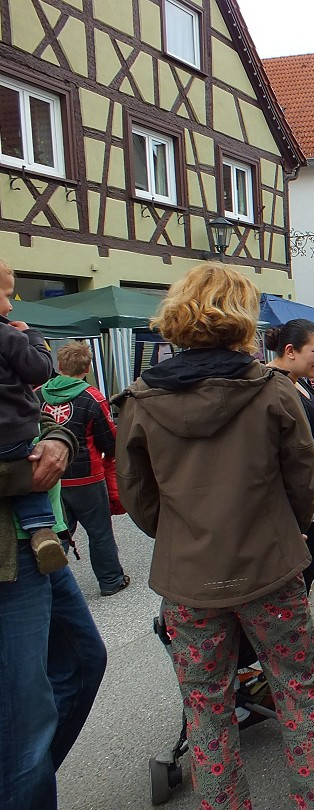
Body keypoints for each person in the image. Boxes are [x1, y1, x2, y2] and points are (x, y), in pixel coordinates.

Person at [114, 263, 314, 810]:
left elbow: (138, 500)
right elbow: (302, 482)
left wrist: (184, 536)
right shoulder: (273, 391)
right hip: (270, 568)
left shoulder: (140, 402)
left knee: (207, 707)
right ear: (242, 317)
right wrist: (277, 533)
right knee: (299, 690)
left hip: (191, 581)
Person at [0, 414, 107, 810]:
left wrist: (60, 440)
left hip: (38, 544)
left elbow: (31, 413)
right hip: (7, 565)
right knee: (23, 725)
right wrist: (25, 475)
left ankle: (20, 785)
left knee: (84, 661)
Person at [40, 341, 130, 596]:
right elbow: (108, 442)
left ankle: (50, 585)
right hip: (86, 476)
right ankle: (111, 580)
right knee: (99, 531)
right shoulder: (92, 396)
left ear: (59, 366)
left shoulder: (39, 394)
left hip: (51, 476)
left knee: (60, 530)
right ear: (88, 367)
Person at [265, 319, 314, 592]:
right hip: (299, 503)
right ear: (290, 351)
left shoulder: (295, 382)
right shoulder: (277, 387)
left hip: (313, 494)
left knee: (305, 580)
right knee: (299, 583)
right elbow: (297, 456)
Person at [0, 260, 65, 572]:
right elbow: (40, 370)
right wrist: (33, 338)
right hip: (13, 436)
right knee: (31, 469)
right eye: (4, 296)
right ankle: (41, 530)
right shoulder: (8, 336)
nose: (9, 306)